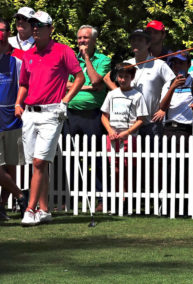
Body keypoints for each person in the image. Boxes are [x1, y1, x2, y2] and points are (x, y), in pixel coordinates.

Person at [14, 11, 84, 226]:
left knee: (39, 162)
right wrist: (18, 103)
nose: (35, 28)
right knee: (37, 164)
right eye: (32, 25)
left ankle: (30, 209)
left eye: (39, 25)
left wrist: (66, 100)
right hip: (30, 113)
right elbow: (24, 83)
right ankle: (44, 209)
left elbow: (79, 76)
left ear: (50, 29)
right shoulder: (29, 54)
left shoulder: (63, 51)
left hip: (53, 112)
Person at [63, 25, 111, 211]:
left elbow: (97, 81)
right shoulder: (69, 60)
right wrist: (87, 86)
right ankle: (70, 197)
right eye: (80, 38)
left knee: (97, 157)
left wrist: (87, 60)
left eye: (86, 38)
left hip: (92, 115)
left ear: (94, 40)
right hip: (71, 114)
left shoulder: (103, 59)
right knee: (69, 158)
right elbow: (62, 83)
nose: (82, 41)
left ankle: (101, 197)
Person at [104, 29, 175, 144]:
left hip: (151, 122)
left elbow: (173, 83)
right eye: (133, 40)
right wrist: (119, 93)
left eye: (140, 40)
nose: (135, 43)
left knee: (153, 159)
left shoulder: (159, 64)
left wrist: (163, 108)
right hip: (128, 123)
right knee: (130, 159)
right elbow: (107, 78)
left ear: (148, 44)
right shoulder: (127, 63)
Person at [101, 62, 148, 202]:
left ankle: (126, 198)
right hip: (113, 135)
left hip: (130, 136)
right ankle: (116, 197)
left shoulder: (137, 96)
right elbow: (104, 116)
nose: (122, 79)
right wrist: (110, 130)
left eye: (126, 77)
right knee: (114, 168)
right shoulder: (112, 94)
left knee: (128, 168)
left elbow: (141, 119)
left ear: (132, 77)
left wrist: (128, 132)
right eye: (120, 76)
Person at [0, 18, 28, 220]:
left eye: (3, 30)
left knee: (11, 165)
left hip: (12, 118)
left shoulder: (17, 61)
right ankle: (21, 195)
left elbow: (23, 86)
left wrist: (19, 105)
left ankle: (1, 207)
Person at [153, 51, 193, 150]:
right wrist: (173, 87)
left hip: (186, 129)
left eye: (181, 63)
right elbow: (162, 107)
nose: (177, 66)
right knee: (167, 164)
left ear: (189, 65)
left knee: (184, 164)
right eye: (175, 63)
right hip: (168, 129)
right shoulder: (168, 84)